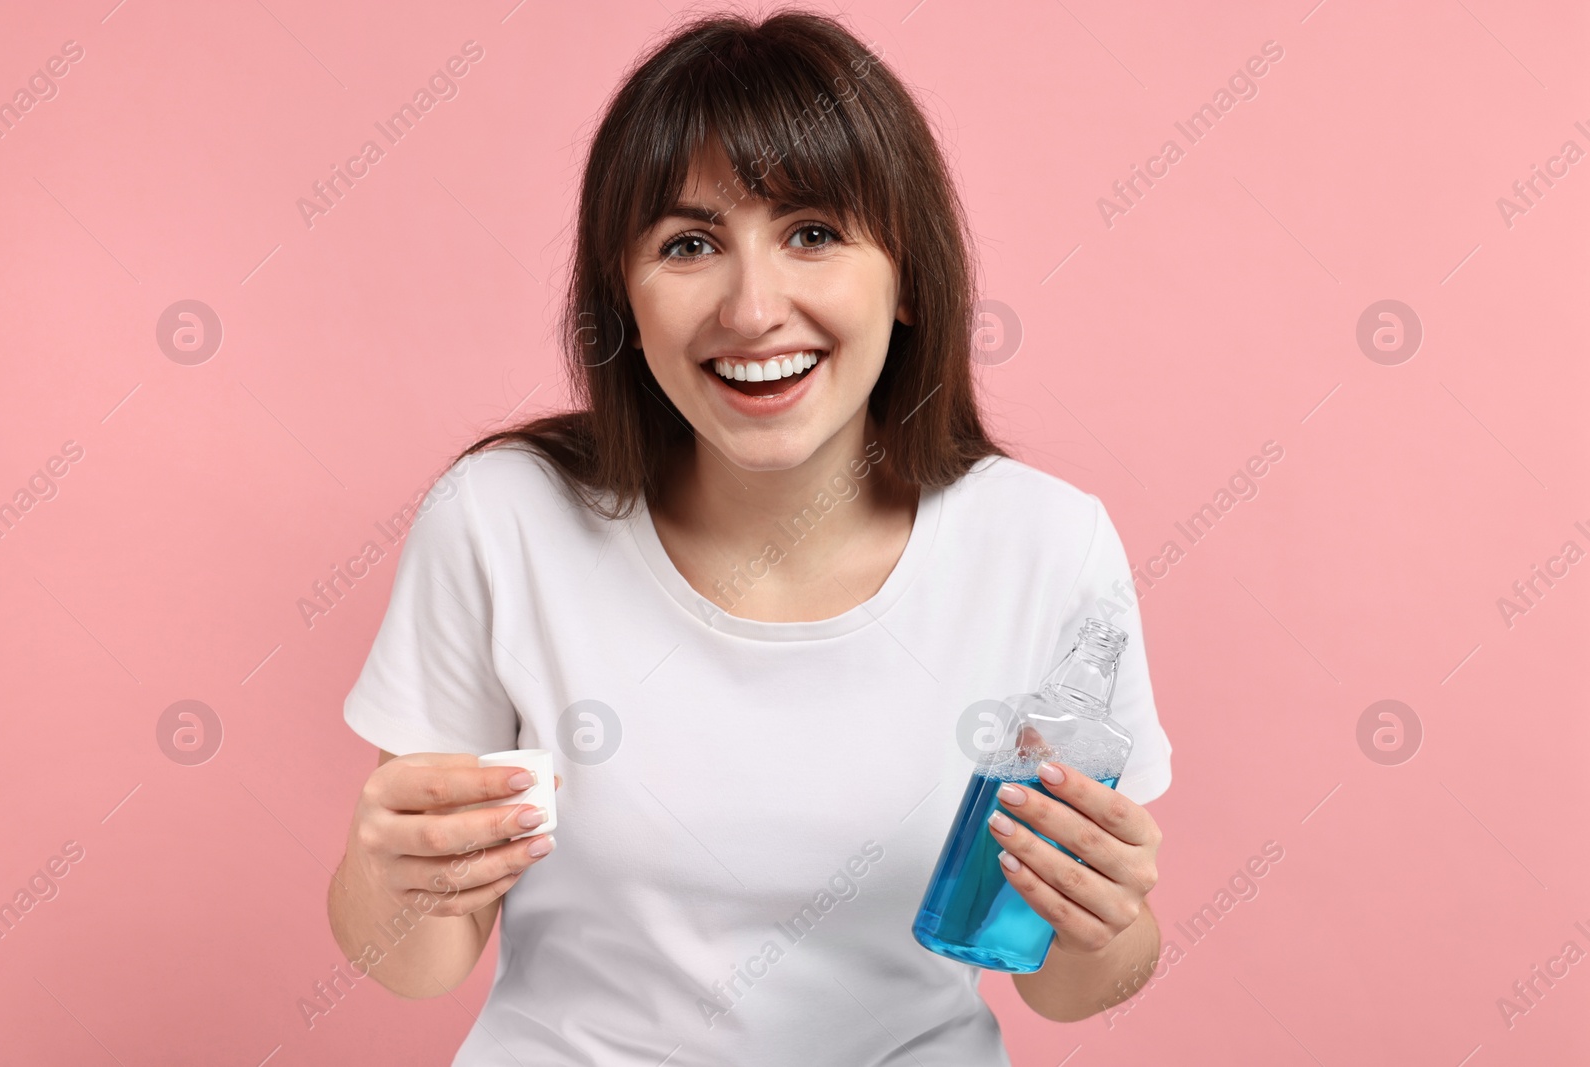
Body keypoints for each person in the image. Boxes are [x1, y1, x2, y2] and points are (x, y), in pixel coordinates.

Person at [327, 9, 1172, 1064]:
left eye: (812, 232)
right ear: (622, 303)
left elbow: (1072, 986)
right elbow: (419, 958)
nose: (752, 306)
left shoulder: (1046, 545)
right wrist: (383, 875)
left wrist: (1105, 918)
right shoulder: (503, 520)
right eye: (689, 244)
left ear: (905, 272)